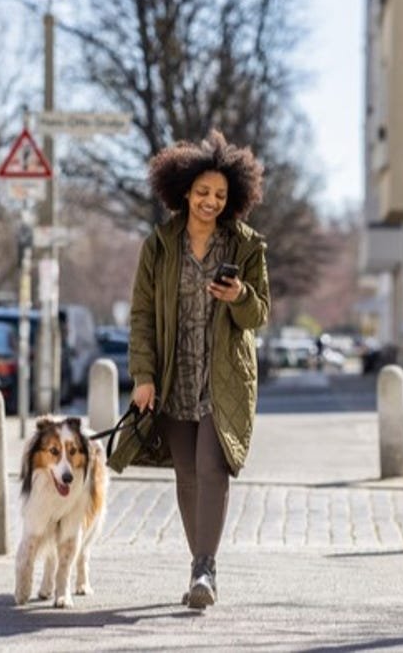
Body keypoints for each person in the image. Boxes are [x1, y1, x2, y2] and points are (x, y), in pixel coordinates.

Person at [112, 130, 270, 610]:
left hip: (222, 379)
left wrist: (239, 295)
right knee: (185, 475)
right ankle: (198, 562)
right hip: (173, 377)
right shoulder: (158, 246)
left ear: (233, 198)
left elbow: (260, 313)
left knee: (211, 467)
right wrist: (143, 376)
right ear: (184, 191)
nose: (210, 202)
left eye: (220, 195)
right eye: (203, 193)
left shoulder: (245, 246)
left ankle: (205, 569)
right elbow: (141, 315)